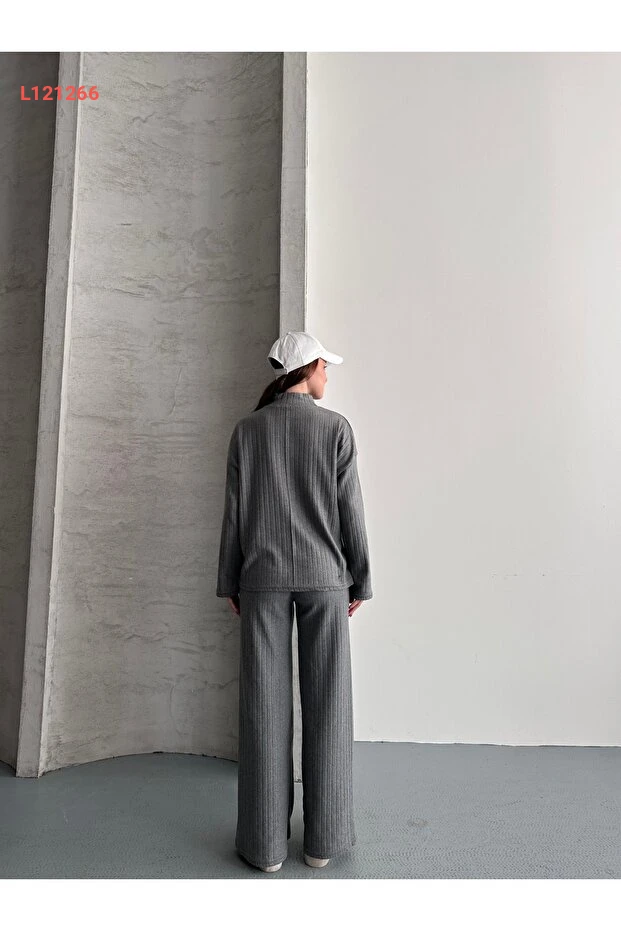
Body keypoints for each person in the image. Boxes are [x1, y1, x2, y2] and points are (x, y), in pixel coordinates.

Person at [216, 330, 373, 873]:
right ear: (307, 370)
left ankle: (264, 848)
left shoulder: (247, 431)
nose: (328, 375)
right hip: (325, 580)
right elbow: (350, 512)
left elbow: (234, 515)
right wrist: (361, 580)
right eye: (325, 367)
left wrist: (230, 581)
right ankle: (323, 842)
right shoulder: (335, 429)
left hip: (262, 580)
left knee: (263, 707)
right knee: (329, 705)